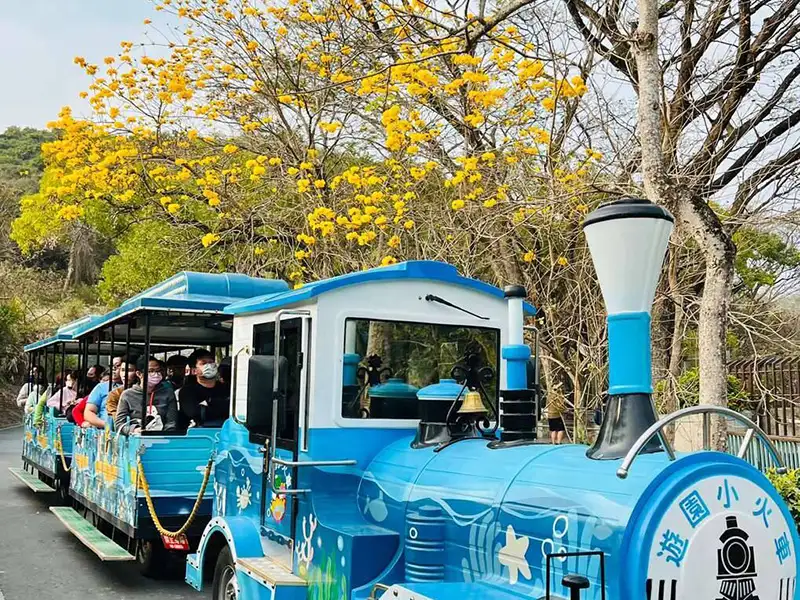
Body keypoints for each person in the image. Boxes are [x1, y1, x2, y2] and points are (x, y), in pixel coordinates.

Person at [115, 356, 178, 435]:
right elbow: (119, 424)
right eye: (150, 371)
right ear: (139, 374)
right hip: (136, 439)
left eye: (158, 371)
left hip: (162, 439)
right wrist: (134, 430)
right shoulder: (127, 395)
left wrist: (165, 437)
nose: (156, 374)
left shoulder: (168, 393)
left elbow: (171, 422)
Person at [178, 349, 230, 428]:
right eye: (204, 363)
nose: (209, 365)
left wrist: (209, 402)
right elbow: (195, 413)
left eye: (211, 362)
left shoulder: (227, 388)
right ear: (194, 370)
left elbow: (232, 410)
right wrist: (222, 405)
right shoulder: (187, 391)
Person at [84, 357, 124, 429]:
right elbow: (88, 412)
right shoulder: (102, 387)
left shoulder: (135, 389)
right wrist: (107, 425)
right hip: (106, 433)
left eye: (118, 366)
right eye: (112, 366)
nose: (114, 369)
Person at [546, 381, 567, 445]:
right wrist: (564, 409)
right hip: (556, 415)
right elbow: (560, 405)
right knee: (560, 429)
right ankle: (558, 442)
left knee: (553, 430)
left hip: (550, 415)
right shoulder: (558, 396)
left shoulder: (549, 396)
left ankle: (553, 442)